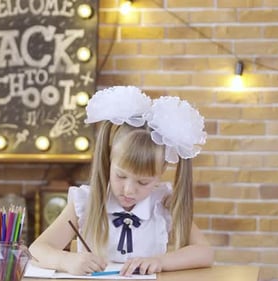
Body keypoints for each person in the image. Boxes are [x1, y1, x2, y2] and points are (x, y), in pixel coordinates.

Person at [29, 86, 214, 276]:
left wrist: (160, 261)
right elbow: (38, 249)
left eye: (143, 182)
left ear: (161, 172)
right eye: (121, 176)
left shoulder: (163, 203)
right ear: (109, 160)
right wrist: (66, 261)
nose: (129, 190)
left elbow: (205, 252)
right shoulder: (85, 201)